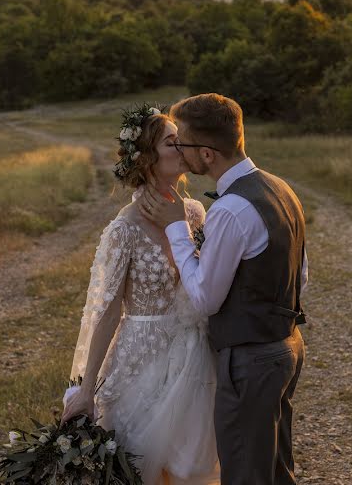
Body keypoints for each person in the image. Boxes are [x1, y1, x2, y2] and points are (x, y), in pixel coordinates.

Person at [140, 93, 307, 485]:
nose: (179, 151)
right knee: (276, 469)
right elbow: (301, 277)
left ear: (207, 154)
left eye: (182, 143)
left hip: (250, 360)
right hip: (288, 346)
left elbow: (205, 299)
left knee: (247, 472)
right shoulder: (280, 188)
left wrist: (176, 227)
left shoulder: (231, 211)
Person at [62, 104, 219, 485]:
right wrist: (86, 391)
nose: (182, 146)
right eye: (171, 142)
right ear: (148, 159)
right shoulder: (125, 229)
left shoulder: (194, 212)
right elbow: (108, 312)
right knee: (139, 463)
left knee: (189, 466)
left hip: (194, 357)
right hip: (141, 358)